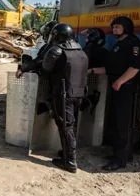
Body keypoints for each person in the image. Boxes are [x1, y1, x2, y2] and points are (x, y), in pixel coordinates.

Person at [90, 16, 140, 171]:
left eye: (117, 27)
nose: (114, 30)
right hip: (117, 88)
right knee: (116, 122)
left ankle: (120, 160)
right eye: (113, 27)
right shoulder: (119, 44)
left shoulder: (134, 45)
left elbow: (134, 68)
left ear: (126, 28)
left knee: (123, 124)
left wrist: (120, 81)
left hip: (126, 88)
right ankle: (122, 154)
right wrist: (93, 70)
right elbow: (111, 68)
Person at [41, 23, 89, 173]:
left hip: (63, 94)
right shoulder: (81, 51)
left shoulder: (57, 50)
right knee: (70, 125)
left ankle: (70, 162)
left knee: (65, 126)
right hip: (78, 93)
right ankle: (67, 153)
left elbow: (46, 67)